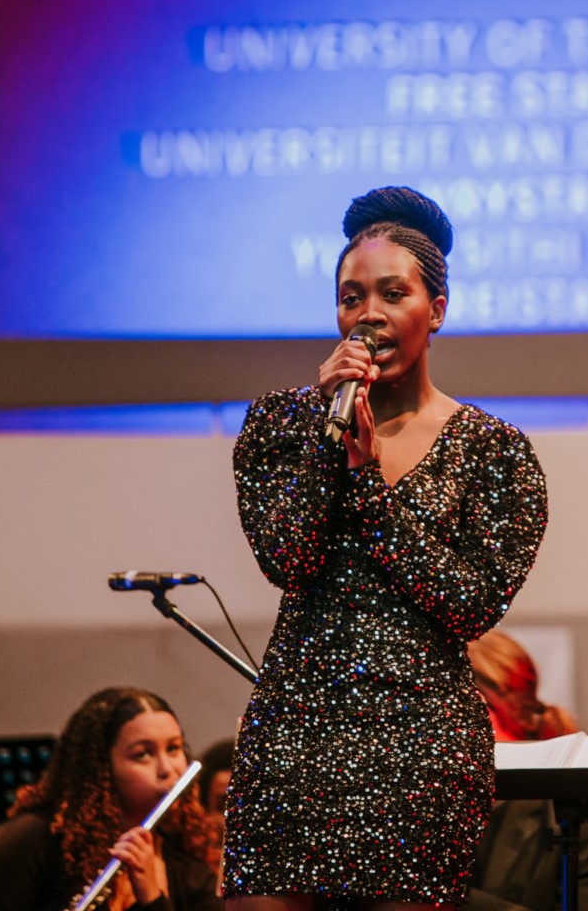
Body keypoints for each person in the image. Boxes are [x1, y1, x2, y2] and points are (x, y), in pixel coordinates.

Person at [222, 186, 549, 910]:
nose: (368, 314)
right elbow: (289, 559)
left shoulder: (494, 452)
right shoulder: (282, 425)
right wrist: (327, 443)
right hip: (295, 735)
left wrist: (368, 486)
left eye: (393, 294)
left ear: (437, 310)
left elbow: (468, 607)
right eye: (351, 298)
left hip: (420, 748)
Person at [0, 686, 220, 911]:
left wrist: (152, 898)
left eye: (173, 748)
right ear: (101, 768)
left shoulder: (189, 854)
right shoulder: (28, 842)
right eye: (143, 754)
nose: (167, 769)